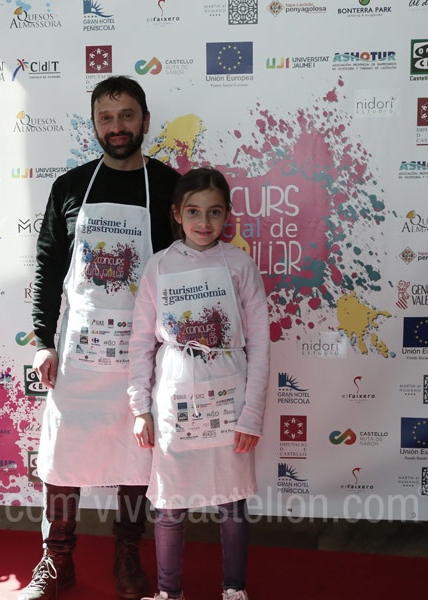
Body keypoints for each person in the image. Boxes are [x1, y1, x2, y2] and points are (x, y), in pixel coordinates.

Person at [20, 75, 180, 600]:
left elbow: (184, 269)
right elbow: (48, 266)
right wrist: (43, 340)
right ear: (93, 124)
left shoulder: (170, 188)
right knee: (62, 456)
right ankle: (57, 558)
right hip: (79, 354)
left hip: (142, 352)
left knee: (138, 454)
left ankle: (127, 552)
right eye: (106, 118)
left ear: (145, 121)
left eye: (127, 116)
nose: (117, 127)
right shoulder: (70, 188)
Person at [128, 167, 270, 600]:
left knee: (232, 502)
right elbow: (141, 341)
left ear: (227, 214)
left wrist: (252, 414)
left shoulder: (240, 265)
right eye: (193, 211)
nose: (204, 222)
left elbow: (260, 343)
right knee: (170, 505)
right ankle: (169, 592)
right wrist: (139, 408)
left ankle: (234, 589)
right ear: (177, 213)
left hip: (230, 401)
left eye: (214, 212)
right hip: (175, 402)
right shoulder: (159, 266)